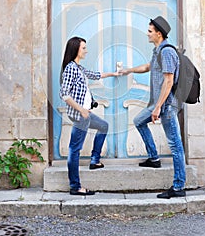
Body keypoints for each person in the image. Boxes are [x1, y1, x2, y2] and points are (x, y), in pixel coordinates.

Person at [120, 16, 186, 199]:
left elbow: (168, 80)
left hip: (167, 106)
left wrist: (157, 108)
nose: (147, 34)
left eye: (150, 31)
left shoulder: (167, 52)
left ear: (159, 33)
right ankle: (154, 158)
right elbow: (149, 67)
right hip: (158, 104)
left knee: (175, 145)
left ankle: (179, 186)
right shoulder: (157, 51)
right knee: (139, 121)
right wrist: (129, 70)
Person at [59, 36, 118, 196]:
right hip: (80, 115)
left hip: (84, 113)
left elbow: (95, 75)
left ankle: (94, 160)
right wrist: (82, 110)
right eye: (83, 48)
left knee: (103, 126)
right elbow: (64, 94)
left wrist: (113, 73)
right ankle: (75, 186)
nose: (86, 50)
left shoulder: (79, 68)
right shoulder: (71, 68)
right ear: (76, 49)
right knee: (74, 150)